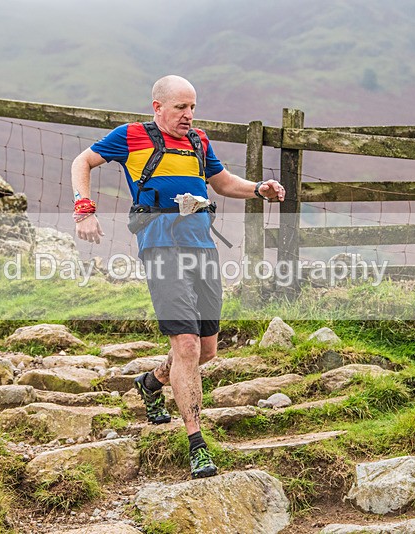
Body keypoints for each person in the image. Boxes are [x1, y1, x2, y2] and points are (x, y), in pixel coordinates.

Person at [71, 75, 284, 479]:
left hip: (202, 249)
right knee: (185, 347)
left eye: (193, 108)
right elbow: (82, 161)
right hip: (161, 250)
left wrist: (259, 188)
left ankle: (151, 382)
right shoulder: (130, 136)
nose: (189, 115)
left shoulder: (199, 142)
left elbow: (222, 183)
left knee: (206, 352)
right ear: (158, 107)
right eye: (181, 108)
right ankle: (196, 444)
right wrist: (84, 208)